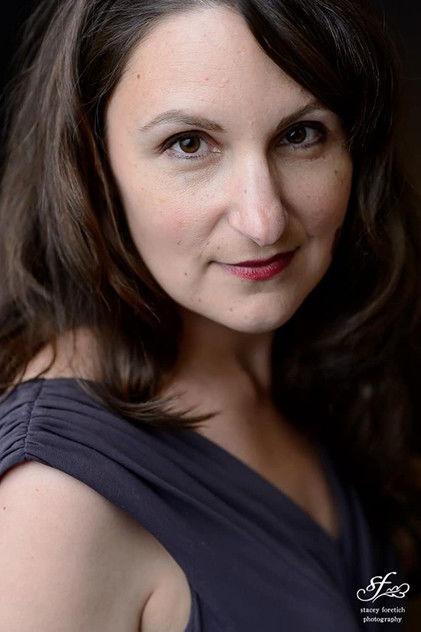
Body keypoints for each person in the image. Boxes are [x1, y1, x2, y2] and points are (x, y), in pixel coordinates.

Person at [0, 0, 419, 630]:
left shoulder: (336, 368)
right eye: (188, 143)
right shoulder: (54, 500)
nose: (263, 220)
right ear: (93, 164)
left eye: (300, 135)